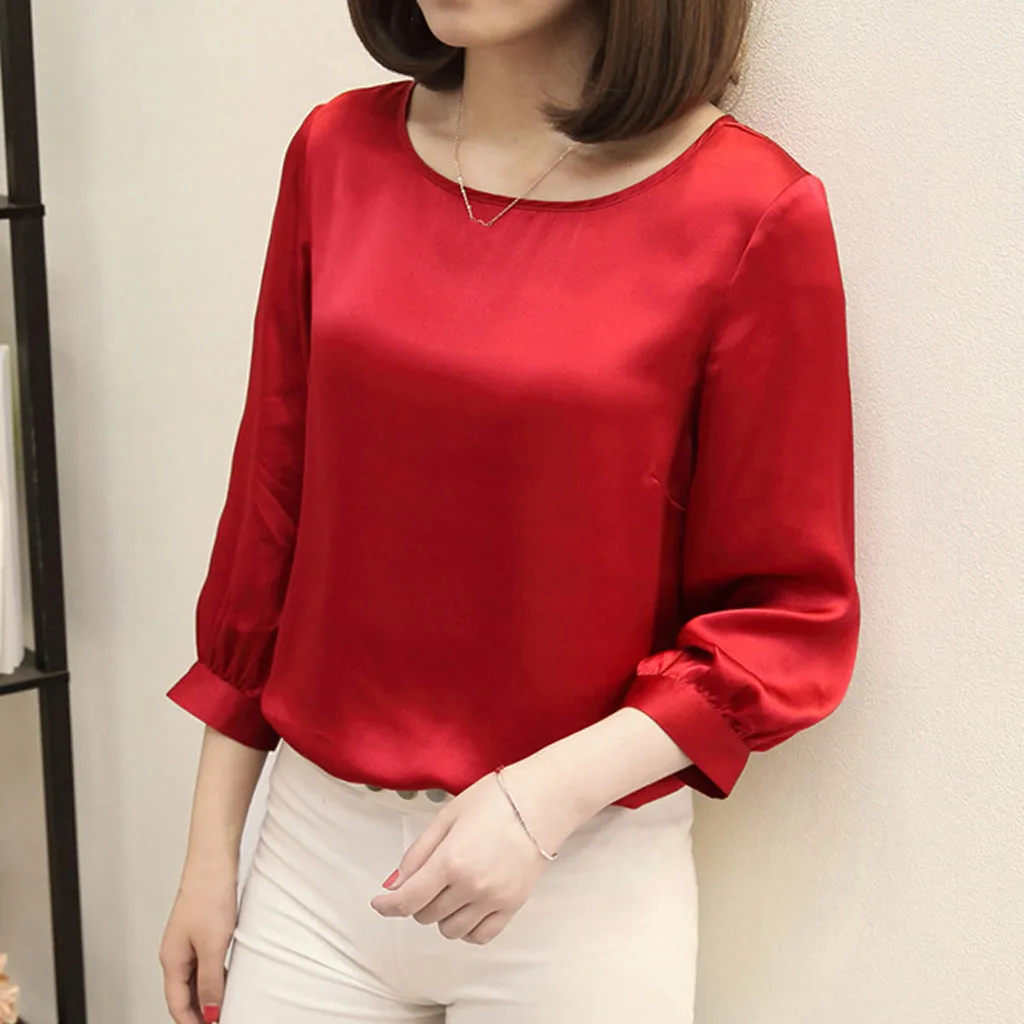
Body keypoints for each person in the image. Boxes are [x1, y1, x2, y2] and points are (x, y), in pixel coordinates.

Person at [159, 0, 860, 1020]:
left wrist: (542, 801)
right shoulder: (335, 153)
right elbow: (268, 520)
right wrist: (209, 853)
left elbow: (787, 614)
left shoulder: (751, 210)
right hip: (312, 862)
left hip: (576, 882)